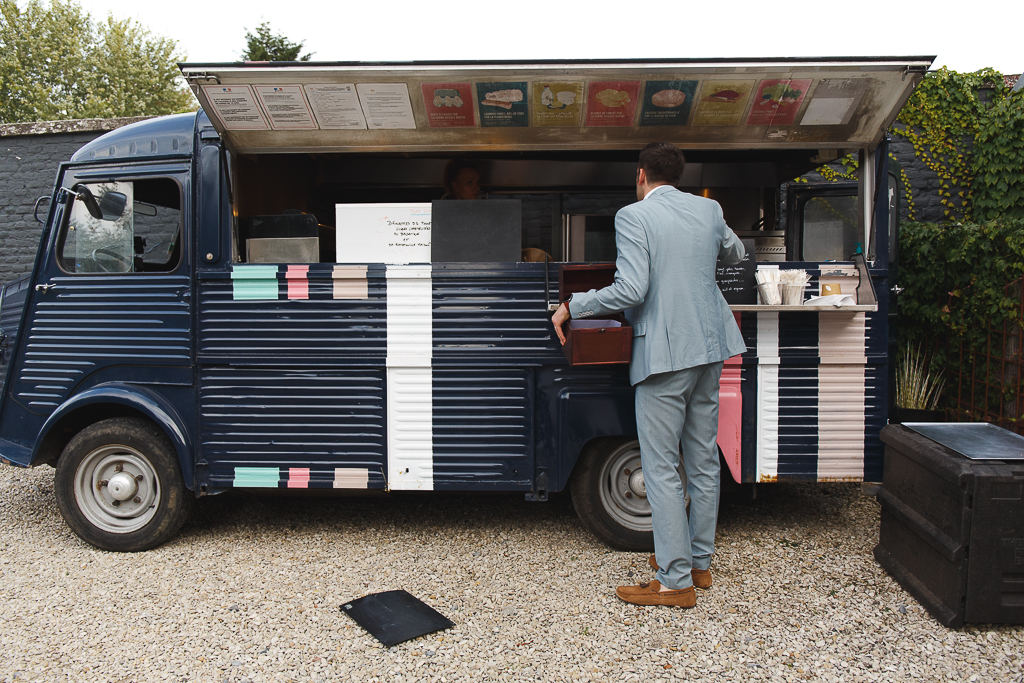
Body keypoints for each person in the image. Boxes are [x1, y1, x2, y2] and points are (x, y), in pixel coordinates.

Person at [551, 142, 746, 608]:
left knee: (659, 466)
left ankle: (674, 582)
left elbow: (632, 287)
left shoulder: (634, 216)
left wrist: (572, 305)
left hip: (665, 351)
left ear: (641, 176)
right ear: (678, 174)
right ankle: (700, 565)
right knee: (701, 459)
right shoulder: (709, 208)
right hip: (711, 345)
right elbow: (736, 253)